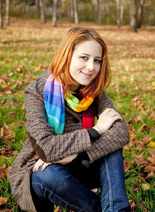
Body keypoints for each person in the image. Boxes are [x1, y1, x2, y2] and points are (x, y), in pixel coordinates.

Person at [9, 27, 131, 212]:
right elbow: (45, 148)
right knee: (46, 174)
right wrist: (95, 131)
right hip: (41, 171)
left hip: (80, 164)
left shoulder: (93, 90)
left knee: (112, 148)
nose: (91, 67)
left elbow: (121, 132)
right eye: (84, 57)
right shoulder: (37, 91)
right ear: (67, 55)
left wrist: (76, 155)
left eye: (97, 60)